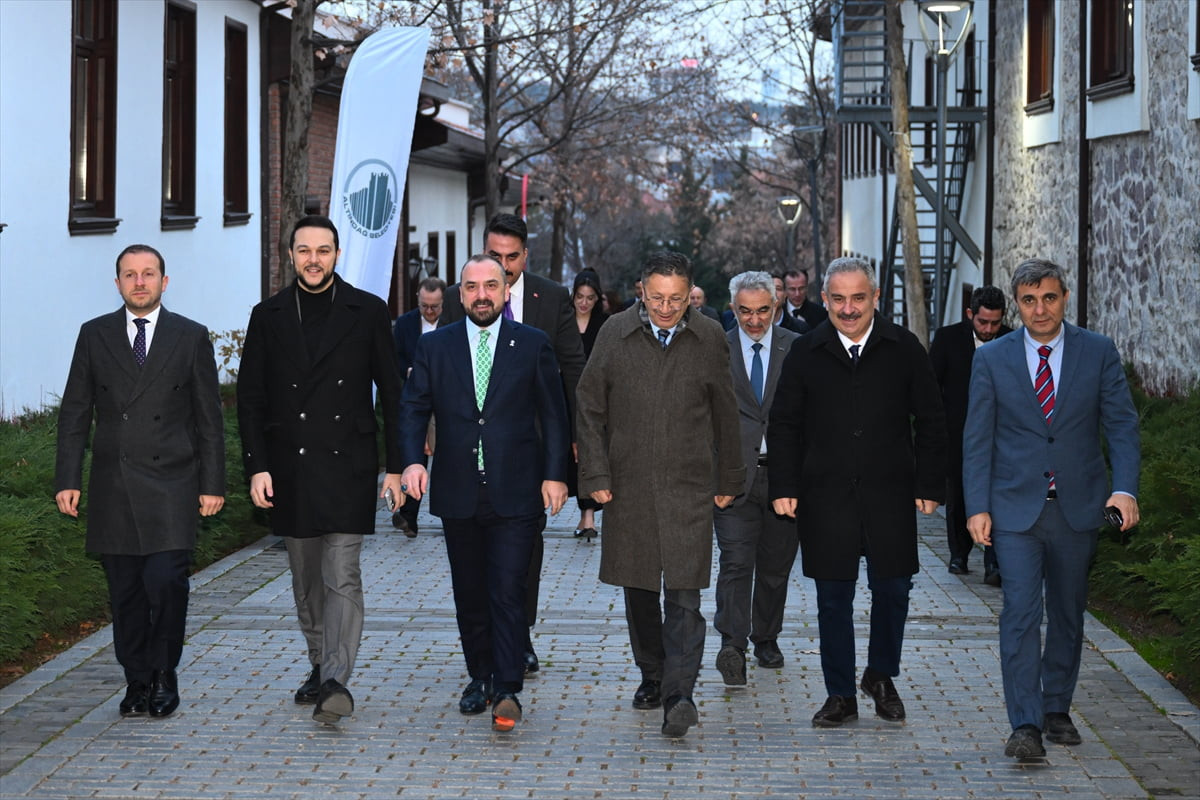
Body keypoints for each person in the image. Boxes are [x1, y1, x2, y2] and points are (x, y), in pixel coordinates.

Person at [963, 258, 1140, 760]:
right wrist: (977, 505)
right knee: (1020, 612)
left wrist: (1124, 489)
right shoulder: (993, 359)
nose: (1040, 309)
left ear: (1065, 298)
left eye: (1049, 298)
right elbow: (977, 439)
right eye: (1029, 300)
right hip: (1015, 510)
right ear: (1016, 305)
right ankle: (1025, 724)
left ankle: (1056, 706)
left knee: (1067, 611)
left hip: (1079, 507)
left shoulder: (1098, 352)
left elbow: (1122, 426)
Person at [237, 215, 404, 725]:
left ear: (337, 255)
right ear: (291, 256)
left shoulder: (367, 311)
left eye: (324, 250)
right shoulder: (267, 316)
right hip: (290, 468)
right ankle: (318, 662)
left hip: (348, 466)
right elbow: (250, 399)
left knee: (342, 577)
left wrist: (394, 468)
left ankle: (335, 679)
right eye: (304, 250)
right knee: (306, 580)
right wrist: (256, 468)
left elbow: (393, 395)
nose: (314, 259)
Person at [768, 257, 946, 728]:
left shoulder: (904, 349)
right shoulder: (806, 352)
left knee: (894, 590)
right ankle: (840, 693)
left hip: (890, 495)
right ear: (824, 300)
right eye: (839, 299)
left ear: (875, 299)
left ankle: (881, 675)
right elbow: (783, 424)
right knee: (833, 599)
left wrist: (929, 483)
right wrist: (784, 485)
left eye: (858, 298)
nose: (849, 309)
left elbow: (931, 420)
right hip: (824, 496)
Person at [398, 254, 570, 733]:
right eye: (471, 286)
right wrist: (413, 460)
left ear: (504, 290)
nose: (481, 295)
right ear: (459, 292)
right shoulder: (437, 347)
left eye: (490, 285)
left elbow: (555, 415)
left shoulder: (532, 345)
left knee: (508, 589)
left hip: (516, 491)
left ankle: (508, 686)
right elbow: (413, 408)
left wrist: (555, 476)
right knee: (470, 592)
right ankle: (480, 676)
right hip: (457, 491)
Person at [576, 250, 743, 738]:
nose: (666, 309)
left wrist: (729, 480)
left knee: (686, 595)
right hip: (628, 487)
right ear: (640, 291)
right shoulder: (614, 334)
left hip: (690, 487)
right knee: (641, 589)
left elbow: (725, 413)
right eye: (656, 298)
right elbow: (588, 407)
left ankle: (680, 694)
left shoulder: (709, 336)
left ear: (690, 294)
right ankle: (653, 673)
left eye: (676, 299)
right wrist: (596, 474)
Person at [55, 244, 225, 719]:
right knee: (125, 589)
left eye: (148, 273)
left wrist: (212, 484)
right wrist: (67, 478)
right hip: (114, 483)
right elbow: (74, 412)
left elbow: (208, 419)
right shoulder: (95, 335)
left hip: (173, 482)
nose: (140, 282)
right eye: (130, 275)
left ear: (164, 282)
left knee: (166, 583)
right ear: (118, 284)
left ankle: (165, 672)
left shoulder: (190, 336)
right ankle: (136, 679)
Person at [440, 213, 585, 676]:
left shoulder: (552, 298)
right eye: (494, 254)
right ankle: (493, 650)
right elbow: (443, 368)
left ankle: (517, 637)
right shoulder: (458, 296)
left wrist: (570, 449)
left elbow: (572, 371)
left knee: (522, 559)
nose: (503, 264)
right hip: (469, 460)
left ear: (525, 256)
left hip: (529, 456)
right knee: (478, 568)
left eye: (510, 257)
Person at [713, 271, 801, 687]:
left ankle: (767, 637)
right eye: (745, 311)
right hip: (733, 476)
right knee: (735, 562)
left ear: (775, 307)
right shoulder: (717, 348)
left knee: (775, 566)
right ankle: (733, 643)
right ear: (733, 308)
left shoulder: (796, 349)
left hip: (783, 479)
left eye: (762, 310)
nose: (753, 320)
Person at [929, 285, 1012, 584]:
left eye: (995, 322)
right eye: (983, 322)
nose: (989, 329)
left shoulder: (1013, 341)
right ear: (970, 315)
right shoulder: (947, 339)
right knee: (959, 496)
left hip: (1001, 436)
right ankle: (959, 554)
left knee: (997, 497)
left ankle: (994, 562)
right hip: (957, 434)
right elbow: (930, 387)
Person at [390, 276, 447, 537]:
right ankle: (409, 517)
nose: (430, 311)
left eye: (435, 306)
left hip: (446, 401)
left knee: (448, 458)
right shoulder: (404, 324)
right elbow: (394, 361)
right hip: (416, 399)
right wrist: (409, 371)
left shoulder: (454, 324)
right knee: (414, 457)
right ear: (418, 300)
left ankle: (452, 514)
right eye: (425, 306)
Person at [569, 269, 608, 541]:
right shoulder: (563, 322)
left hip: (596, 397)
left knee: (590, 451)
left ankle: (589, 516)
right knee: (572, 454)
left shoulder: (605, 325)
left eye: (590, 298)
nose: (584, 302)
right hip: (566, 395)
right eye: (580, 297)